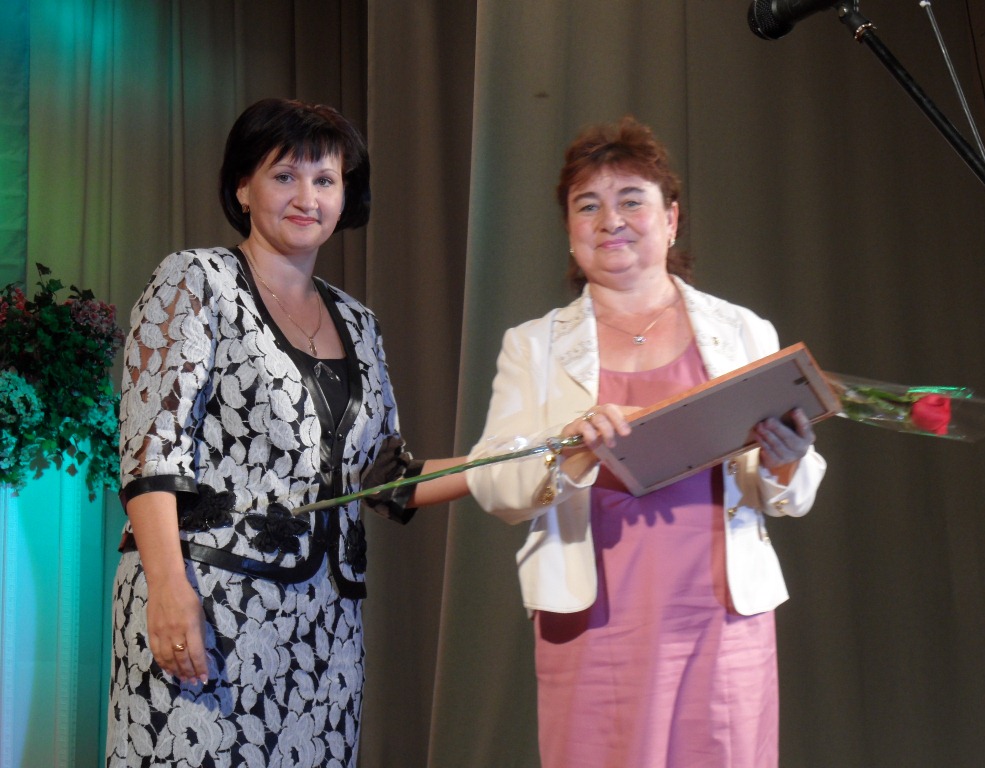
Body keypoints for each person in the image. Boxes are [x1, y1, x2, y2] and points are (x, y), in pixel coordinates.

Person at [107, 98, 466, 768]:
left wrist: (503, 463)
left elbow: (386, 481)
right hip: (207, 607)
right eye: (285, 176)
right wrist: (167, 588)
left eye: (325, 179)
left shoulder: (359, 322)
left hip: (325, 632)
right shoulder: (197, 281)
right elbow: (151, 451)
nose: (308, 197)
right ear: (242, 187)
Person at [466, 117, 826, 767]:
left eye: (632, 200)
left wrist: (785, 462)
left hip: (724, 621)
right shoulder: (534, 345)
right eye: (588, 205)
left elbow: (791, 494)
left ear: (671, 218)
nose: (611, 220)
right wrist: (566, 449)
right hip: (595, 625)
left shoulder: (743, 331)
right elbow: (492, 481)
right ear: (569, 229)